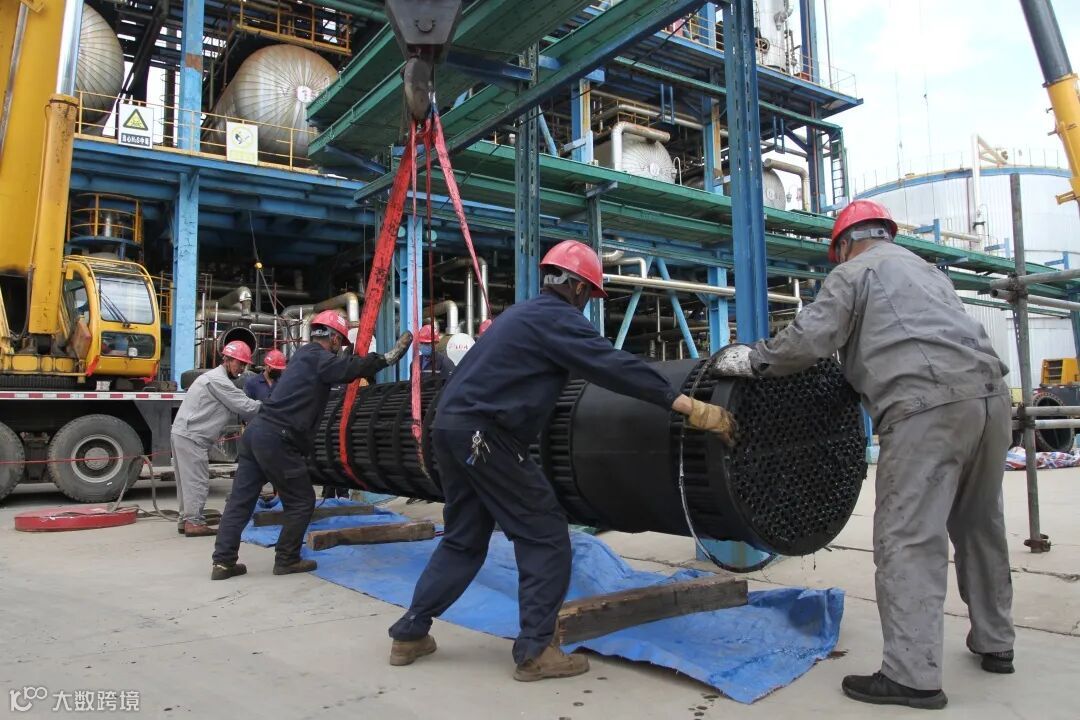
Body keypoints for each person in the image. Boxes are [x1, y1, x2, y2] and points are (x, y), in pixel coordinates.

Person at [387, 240, 738, 682]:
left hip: (450, 431)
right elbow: (613, 366)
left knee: (463, 539)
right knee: (545, 534)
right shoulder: (556, 318)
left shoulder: (521, 316)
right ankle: (536, 651)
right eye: (589, 295)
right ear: (577, 287)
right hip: (487, 436)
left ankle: (410, 632)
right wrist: (689, 405)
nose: (587, 304)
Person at [713, 199, 1015, 710]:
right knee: (980, 526)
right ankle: (996, 641)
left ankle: (912, 677)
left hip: (926, 406)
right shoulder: (928, 272)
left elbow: (811, 339)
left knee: (908, 538)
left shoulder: (855, 272)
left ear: (844, 244)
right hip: (991, 401)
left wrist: (755, 360)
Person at [210, 311, 412, 580]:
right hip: (277, 439)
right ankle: (287, 559)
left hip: (257, 433)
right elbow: (347, 370)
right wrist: (385, 359)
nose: (340, 346)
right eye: (340, 341)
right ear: (334, 338)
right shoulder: (318, 357)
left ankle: (223, 563)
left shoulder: (302, 356)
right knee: (302, 500)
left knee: (240, 501)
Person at [171, 341, 261, 537]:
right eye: (240, 363)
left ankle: (186, 519)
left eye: (244, 365)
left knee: (186, 481)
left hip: (184, 433)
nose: (242, 369)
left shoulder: (214, 378)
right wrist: (272, 406)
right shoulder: (218, 381)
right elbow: (245, 406)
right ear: (227, 360)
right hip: (192, 436)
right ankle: (193, 523)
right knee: (197, 481)